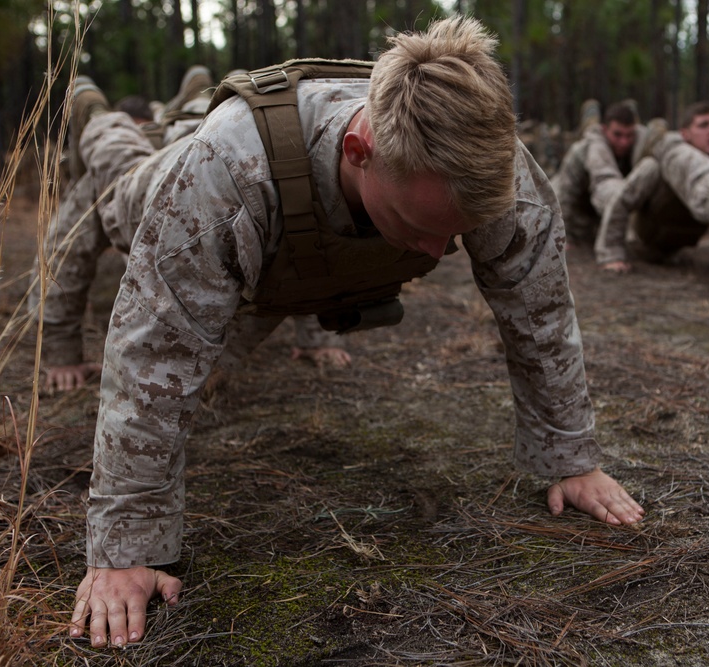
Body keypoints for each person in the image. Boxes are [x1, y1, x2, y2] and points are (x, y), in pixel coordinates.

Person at [66, 17, 645, 648]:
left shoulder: (498, 173)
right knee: (115, 172)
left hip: (270, 245)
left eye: (453, 231)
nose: (437, 248)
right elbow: (151, 353)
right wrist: (127, 547)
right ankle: (99, 114)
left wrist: (571, 458)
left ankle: (164, 113)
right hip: (159, 180)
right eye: (418, 224)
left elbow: (542, 313)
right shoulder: (223, 173)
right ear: (359, 150)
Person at [34, 70, 349, 393]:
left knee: (171, 155)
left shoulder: (230, 172)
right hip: (184, 149)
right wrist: (61, 352)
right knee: (129, 166)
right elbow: (65, 251)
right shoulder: (105, 182)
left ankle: (164, 110)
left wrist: (315, 339)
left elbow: (293, 236)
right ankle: (110, 115)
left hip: (190, 152)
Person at [594, 101, 709, 272]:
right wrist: (611, 255)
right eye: (703, 126)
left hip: (681, 246)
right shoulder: (658, 165)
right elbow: (622, 200)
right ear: (685, 134)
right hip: (646, 244)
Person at [550, 99, 641, 246]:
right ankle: (589, 126)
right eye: (617, 134)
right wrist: (561, 235)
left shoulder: (636, 146)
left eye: (629, 135)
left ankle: (590, 124)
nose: (624, 142)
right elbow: (565, 193)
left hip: (596, 209)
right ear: (605, 130)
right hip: (574, 201)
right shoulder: (580, 151)